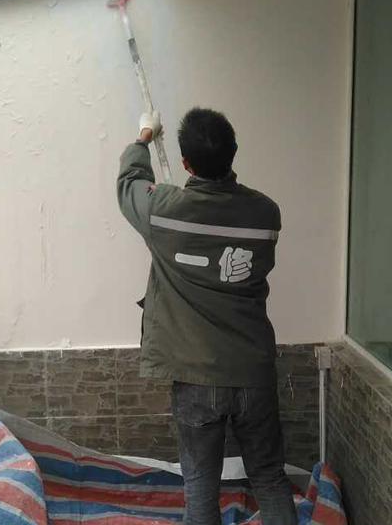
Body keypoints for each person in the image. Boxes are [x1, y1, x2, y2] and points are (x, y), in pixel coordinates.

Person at [117, 108, 298, 525]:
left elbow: (129, 184)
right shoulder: (266, 214)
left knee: (200, 484)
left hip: (196, 376)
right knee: (269, 476)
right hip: (252, 370)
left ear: (185, 162)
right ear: (234, 153)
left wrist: (144, 137)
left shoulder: (163, 210)